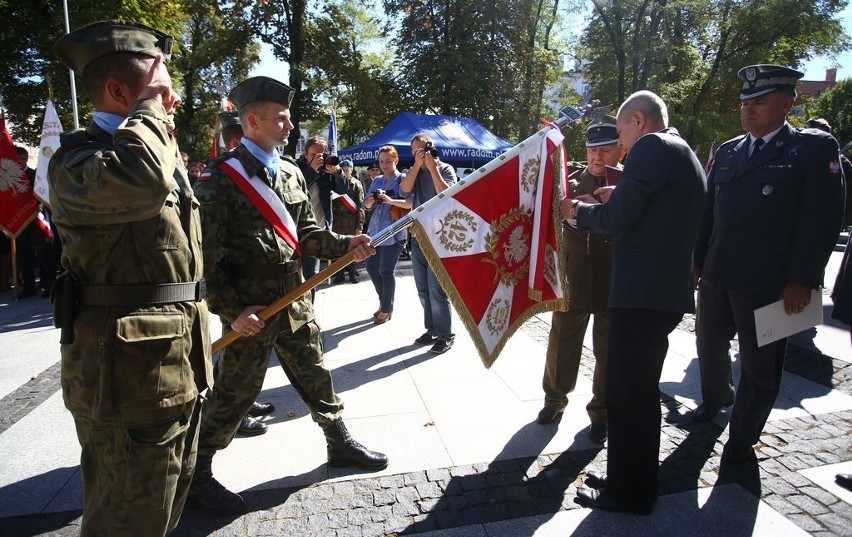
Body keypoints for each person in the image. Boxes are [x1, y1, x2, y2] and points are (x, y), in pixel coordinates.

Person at [191, 76, 387, 514]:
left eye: (289, 116)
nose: (290, 124)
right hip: (253, 310)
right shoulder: (221, 179)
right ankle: (197, 471)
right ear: (253, 120)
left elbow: (307, 235)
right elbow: (205, 259)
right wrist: (233, 311)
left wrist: (347, 244)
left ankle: (339, 443)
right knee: (235, 393)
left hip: (294, 299)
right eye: (281, 118)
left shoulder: (292, 171)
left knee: (316, 374)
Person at [48, 20, 211, 535]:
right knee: (124, 523)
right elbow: (138, 184)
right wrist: (147, 112)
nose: (174, 101)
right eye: (163, 88)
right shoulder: (77, 160)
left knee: (160, 516)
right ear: (120, 92)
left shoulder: (151, 151)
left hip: (175, 369)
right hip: (123, 384)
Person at [691, 65, 845, 462]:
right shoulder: (728, 151)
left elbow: (822, 221)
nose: (749, 109)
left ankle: (742, 438)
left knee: (761, 367)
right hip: (719, 274)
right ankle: (714, 402)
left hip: (769, 283)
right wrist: (696, 262)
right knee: (708, 345)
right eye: (745, 102)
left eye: (759, 101)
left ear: (787, 101)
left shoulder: (812, 149)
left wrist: (803, 279)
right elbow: (709, 214)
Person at [566, 91, 706, 514]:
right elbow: (647, 211)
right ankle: (628, 475)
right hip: (655, 290)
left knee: (629, 394)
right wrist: (617, 197)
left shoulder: (653, 147)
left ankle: (630, 492)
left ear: (639, 121)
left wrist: (577, 211)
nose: (621, 144)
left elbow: (618, 219)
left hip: (643, 293)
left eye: (623, 132)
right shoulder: (679, 150)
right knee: (633, 391)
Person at [536, 117, 622, 448]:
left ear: (620, 149)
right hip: (572, 280)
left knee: (609, 353)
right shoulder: (567, 184)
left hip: (614, 281)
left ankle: (601, 414)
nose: (598, 157)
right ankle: (554, 401)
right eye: (592, 150)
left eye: (606, 149)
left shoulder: (632, 185)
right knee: (561, 345)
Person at [209, 109, 275, 437]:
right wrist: (230, 306)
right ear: (237, 140)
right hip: (236, 287)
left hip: (255, 287)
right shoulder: (223, 176)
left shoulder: (250, 170)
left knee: (242, 359)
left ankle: (244, 403)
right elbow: (209, 250)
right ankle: (229, 414)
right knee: (233, 359)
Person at [400, 134, 457, 354]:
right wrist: (417, 165)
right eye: (416, 151)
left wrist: (432, 167)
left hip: (440, 236)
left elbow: (448, 194)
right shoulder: (413, 170)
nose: (420, 153)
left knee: (437, 290)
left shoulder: (445, 168)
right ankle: (432, 329)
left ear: (432, 147)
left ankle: (446, 335)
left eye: (423, 149)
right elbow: (405, 190)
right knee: (423, 289)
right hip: (419, 235)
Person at [363, 145, 413, 323]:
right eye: (381, 161)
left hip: (395, 231)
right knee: (371, 268)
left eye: (388, 161)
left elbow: (411, 203)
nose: (384, 165)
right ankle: (383, 303)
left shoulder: (403, 179)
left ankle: (387, 308)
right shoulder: (376, 181)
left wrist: (391, 200)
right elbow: (366, 206)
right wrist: (370, 200)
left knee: (385, 270)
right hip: (375, 231)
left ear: (396, 161)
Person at [295, 136, 348, 295]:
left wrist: (338, 172)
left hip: (316, 231)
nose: (319, 159)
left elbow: (343, 190)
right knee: (294, 280)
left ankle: (309, 313)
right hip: (294, 231)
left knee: (312, 279)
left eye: (322, 155)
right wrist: (312, 171)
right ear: (305, 154)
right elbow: (296, 189)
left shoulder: (327, 170)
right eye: (314, 155)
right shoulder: (295, 168)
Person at [805, 117, 852, 230]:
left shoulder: (841, 162)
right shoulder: (802, 159)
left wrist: (843, 220)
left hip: (827, 221)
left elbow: (847, 193)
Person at [331, 159, 366, 284]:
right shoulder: (334, 183)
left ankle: (352, 273)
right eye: (343, 169)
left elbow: (361, 207)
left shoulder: (356, 184)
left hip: (351, 222)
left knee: (353, 249)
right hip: (337, 222)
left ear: (352, 170)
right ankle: (339, 274)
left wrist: (359, 226)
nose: (346, 171)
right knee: (339, 248)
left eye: (348, 169)